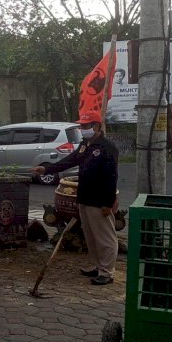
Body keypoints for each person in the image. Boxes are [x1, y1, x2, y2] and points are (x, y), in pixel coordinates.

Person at [30, 110, 119, 285]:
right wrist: (47, 169)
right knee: (91, 235)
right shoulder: (86, 144)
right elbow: (71, 160)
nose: (82, 129)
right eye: (81, 126)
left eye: (85, 126)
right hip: (84, 197)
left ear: (97, 126)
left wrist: (108, 203)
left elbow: (111, 177)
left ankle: (107, 272)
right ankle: (97, 266)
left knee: (104, 238)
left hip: (100, 200)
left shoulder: (107, 148)